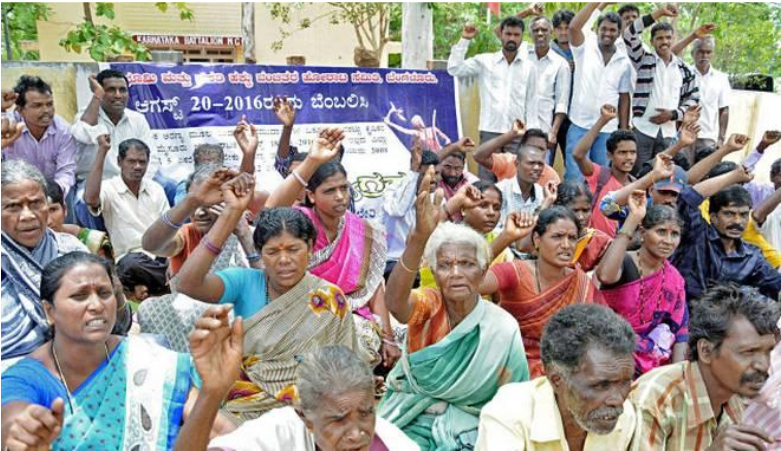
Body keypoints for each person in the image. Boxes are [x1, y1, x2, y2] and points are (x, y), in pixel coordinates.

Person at [1, 252, 235, 450]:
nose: (97, 305)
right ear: (49, 311)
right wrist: (21, 432)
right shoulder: (28, 377)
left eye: (104, 293)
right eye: (79, 296)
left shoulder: (147, 358)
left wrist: (213, 391)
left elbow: (221, 432)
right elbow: (11, 420)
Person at [176, 171, 358, 422]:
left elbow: (344, 367)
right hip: (244, 409)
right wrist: (231, 214)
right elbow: (187, 283)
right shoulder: (245, 281)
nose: (284, 260)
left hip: (308, 411)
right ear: (260, 252)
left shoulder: (328, 297)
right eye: (272, 252)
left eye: (294, 249)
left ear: (310, 247)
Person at [379, 167, 529, 450]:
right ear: (434, 272)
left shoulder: (502, 327)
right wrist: (418, 239)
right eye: (446, 265)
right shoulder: (429, 304)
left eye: (468, 264)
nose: (456, 273)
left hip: (476, 423)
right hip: (412, 416)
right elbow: (395, 304)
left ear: (483, 270)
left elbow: (513, 395)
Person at [265, 128, 397, 370]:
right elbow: (270, 211)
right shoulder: (299, 221)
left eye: (344, 188)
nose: (340, 197)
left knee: (399, 335)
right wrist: (312, 160)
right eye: (329, 191)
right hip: (303, 316)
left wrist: (388, 336)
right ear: (311, 196)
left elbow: (374, 285)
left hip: (353, 315)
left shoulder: (362, 229)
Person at [630, 284, 780, 451]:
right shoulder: (656, 399)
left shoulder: (733, 399)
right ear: (706, 351)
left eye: (768, 351)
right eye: (748, 352)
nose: (763, 365)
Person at [476, 304, 637, 451]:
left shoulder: (625, 418)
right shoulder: (509, 412)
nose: (617, 400)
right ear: (557, 379)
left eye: (624, 382)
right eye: (602, 385)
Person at [202, 345, 420, 451]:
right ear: (305, 417)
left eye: (365, 414)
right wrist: (211, 393)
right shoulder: (279, 432)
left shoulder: (393, 445)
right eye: (338, 420)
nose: (356, 434)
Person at [480, 206, 604, 378]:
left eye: (572, 238)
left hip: (565, 371)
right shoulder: (515, 272)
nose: (566, 245)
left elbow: (598, 329)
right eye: (557, 237)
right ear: (537, 240)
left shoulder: (581, 282)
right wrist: (506, 237)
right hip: (514, 367)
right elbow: (473, 283)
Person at [1, 160, 88, 360]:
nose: (27, 216)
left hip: (73, 362)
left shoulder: (72, 251)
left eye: (36, 203)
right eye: (13, 207)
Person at [597, 198, 689, 376]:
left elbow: (681, 330)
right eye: (661, 232)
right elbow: (605, 276)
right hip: (610, 356)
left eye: (674, 234)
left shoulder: (674, 279)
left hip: (655, 367)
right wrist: (632, 221)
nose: (668, 241)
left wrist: (677, 377)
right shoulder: (625, 262)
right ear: (642, 233)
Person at [671, 167, 781, 301]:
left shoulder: (752, 256)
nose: (737, 221)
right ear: (713, 217)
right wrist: (733, 176)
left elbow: (775, 284)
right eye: (729, 214)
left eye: (743, 215)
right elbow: (687, 198)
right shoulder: (696, 235)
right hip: (686, 316)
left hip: (725, 319)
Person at [447, 17, 535, 182]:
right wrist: (465, 39)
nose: (512, 38)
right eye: (508, 33)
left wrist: (529, 134)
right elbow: (454, 69)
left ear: (522, 37)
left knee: (514, 182)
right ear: (501, 34)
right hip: (490, 131)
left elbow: (531, 103)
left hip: (517, 134)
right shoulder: (485, 61)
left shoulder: (529, 67)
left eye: (516, 35)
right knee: (487, 182)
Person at [84, 136, 170, 299]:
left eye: (142, 162)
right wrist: (102, 152)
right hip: (129, 261)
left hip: (158, 258)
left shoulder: (156, 189)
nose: (137, 167)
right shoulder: (109, 188)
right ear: (119, 162)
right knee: (131, 263)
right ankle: (167, 284)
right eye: (131, 161)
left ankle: (148, 286)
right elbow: (90, 199)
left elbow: (169, 230)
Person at [70, 69, 158, 229]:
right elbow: (81, 133)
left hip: (135, 179)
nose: (118, 95)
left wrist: (139, 185)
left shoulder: (137, 119)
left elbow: (152, 159)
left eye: (122, 90)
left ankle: (174, 246)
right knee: (85, 202)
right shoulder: (87, 115)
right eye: (110, 90)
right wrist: (97, 93)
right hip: (97, 182)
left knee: (172, 186)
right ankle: (100, 250)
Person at [624, 4, 701, 175]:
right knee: (637, 174)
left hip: (668, 133)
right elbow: (629, 34)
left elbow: (694, 99)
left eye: (668, 37)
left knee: (662, 176)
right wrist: (658, 13)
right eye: (659, 38)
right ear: (652, 42)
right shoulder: (644, 60)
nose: (664, 42)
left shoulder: (684, 69)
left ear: (674, 39)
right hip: (642, 128)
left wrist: (673, 114)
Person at [565, 3, 633, 181]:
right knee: (574, 177)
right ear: (597, 29)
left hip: (607, 130)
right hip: (580, 125)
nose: (607, 33)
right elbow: (573, 27)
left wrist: (624, 130)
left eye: (612, 30)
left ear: (618, 33)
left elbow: (624, 97)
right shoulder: (584, 48)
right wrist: (598, 4)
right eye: (603, 28)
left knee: (601, 179)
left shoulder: (624, 60)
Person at [0, 77, 77, 197]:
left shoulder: (63, 130)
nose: (46, 110)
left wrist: (52, 196)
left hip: (51, 190)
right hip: (14, 191)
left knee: (67, 196)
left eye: (49, 104)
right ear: (20, 110)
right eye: (37, 105)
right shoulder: (8, 128)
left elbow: (65, 172)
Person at [572, 105, 638, 237]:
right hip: (588, 245)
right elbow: (578, 154)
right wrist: (603, 120)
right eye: (622, 153)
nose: (629, 157)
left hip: (614, 251)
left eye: (633, 152)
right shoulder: (599, 174)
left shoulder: (636, 186)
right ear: (609, 155)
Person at [380, 148, 440, 281]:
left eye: (437, 173)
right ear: (414, 173)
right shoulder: (393, 191)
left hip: (424, 263)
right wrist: (413, 172)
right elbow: (398, 211)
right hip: (393, 261)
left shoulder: (437, 197)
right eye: (426, 174)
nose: (433, 179)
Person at [526, 16, 571, 155]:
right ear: (530, 34)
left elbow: (561, 103)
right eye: (536, 30)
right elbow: (500, 32)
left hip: (544, 128)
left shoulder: (560, 64)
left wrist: (553, 132)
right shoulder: (521, 56)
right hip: (518, 127)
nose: (540, 33)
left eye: (544, 30)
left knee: (541, 170)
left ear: (551, 32)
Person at [472, 121, 561, 188]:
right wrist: (511, 135)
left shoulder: (552, 177)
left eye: (540, 149)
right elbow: (478, 156)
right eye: (531, 147)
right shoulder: (508, 162)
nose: (535, 152)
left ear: (546, 152)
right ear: (521, 148)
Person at [44, 179, 113, 260]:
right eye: (42, 212)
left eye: (53, 210)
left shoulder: (92, 241)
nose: (48, 221)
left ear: (65, 209)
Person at [495, 145, 547, 226]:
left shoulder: (543, 194)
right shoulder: (500, 190)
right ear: (517, 163)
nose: (537, 168)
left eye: (540, 164)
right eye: (531, 163)